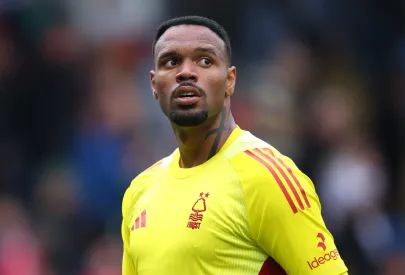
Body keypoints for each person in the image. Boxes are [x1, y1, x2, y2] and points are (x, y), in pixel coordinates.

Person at [121, 15, 348, 275]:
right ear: (154, 84)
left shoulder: (266, 177)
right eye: (171, 62)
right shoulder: (139, 192)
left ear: (230, 80)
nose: (185, 72)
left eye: (205, 60)